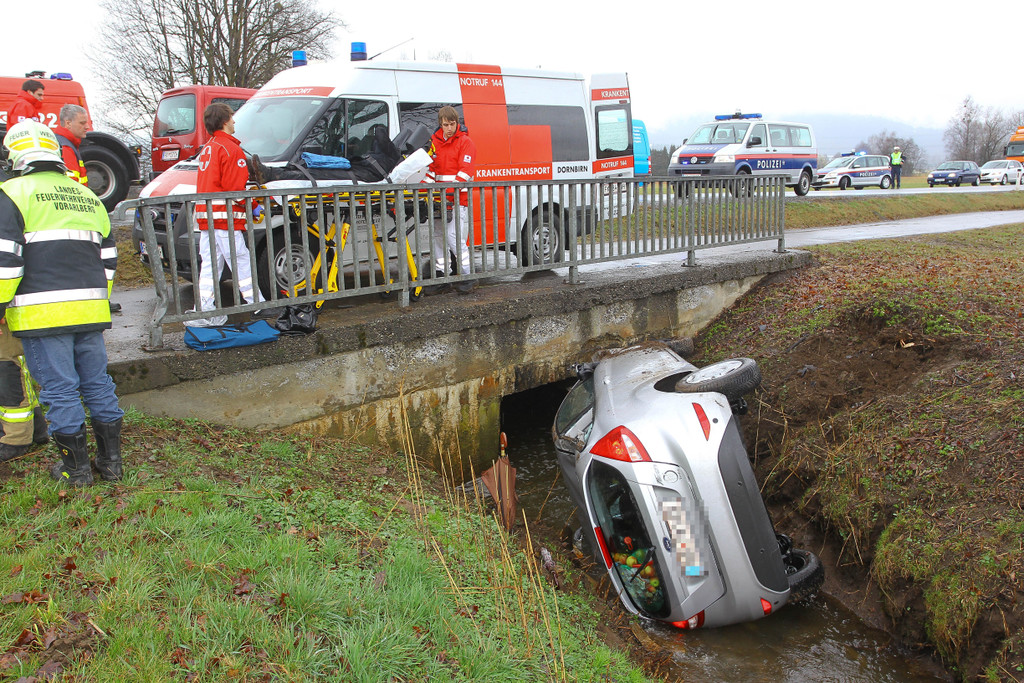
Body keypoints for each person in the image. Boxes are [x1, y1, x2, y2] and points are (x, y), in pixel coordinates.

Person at [0, 120, 124, 486]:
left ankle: (76, 471)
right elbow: (109, 259)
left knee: (59, 389)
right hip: (90, 309)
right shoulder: (85, 194)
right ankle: (112, 465)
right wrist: (97, 300)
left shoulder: (11, 193)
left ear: (15, 155)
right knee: (98, 384)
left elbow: (7, 261)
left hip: (41, 313)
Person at [186, 103, 263, 327]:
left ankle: (205, 308)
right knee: (240, 259)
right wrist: (254, 205)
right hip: (224, 216)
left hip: (206, 216)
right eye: (232, 117)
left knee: (210, 265)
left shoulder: (209, 147)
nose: (234, 121)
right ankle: (256, 304)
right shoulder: (231, 149)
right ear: (224, 121)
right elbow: (234, 188)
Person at [53, 105, 121, 314]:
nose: (87, 127)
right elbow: (72, 188)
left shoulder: (66, 144)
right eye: (82, 123)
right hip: (76, 217)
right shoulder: (66, 147)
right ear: (67, 123)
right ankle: (94, 299)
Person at [424, 106, 477, 294]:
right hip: (440, 200)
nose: (449, 128)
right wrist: (421, 189)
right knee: (438, 237)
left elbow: (465, 172)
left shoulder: (465, 142)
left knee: (454, 237)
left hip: (456, 200)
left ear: (457, 123)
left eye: (452, 124)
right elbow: (432, 172)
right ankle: (442, 275)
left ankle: (466, 275)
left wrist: (447, 192)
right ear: (441, 124)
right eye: (445, 124)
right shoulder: (435, 142)